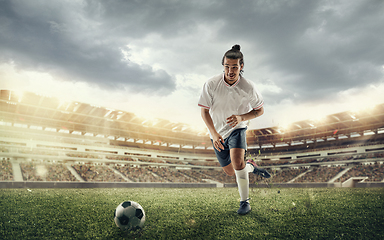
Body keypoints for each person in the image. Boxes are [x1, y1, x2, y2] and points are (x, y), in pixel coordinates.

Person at [198, 44, 270, 215]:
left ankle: (244, 202)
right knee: (231, 172)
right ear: (223, 65)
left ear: (241, 66)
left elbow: (260, 110)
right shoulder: (211, 84)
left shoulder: (249, 87)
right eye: (227, 66)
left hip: (237, 129)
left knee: (237, 164)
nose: (230, 71)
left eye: (235, 67)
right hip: (217, 134)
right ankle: (251, 167)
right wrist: (214, 134)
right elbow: (204, 111)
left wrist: (241, 118)